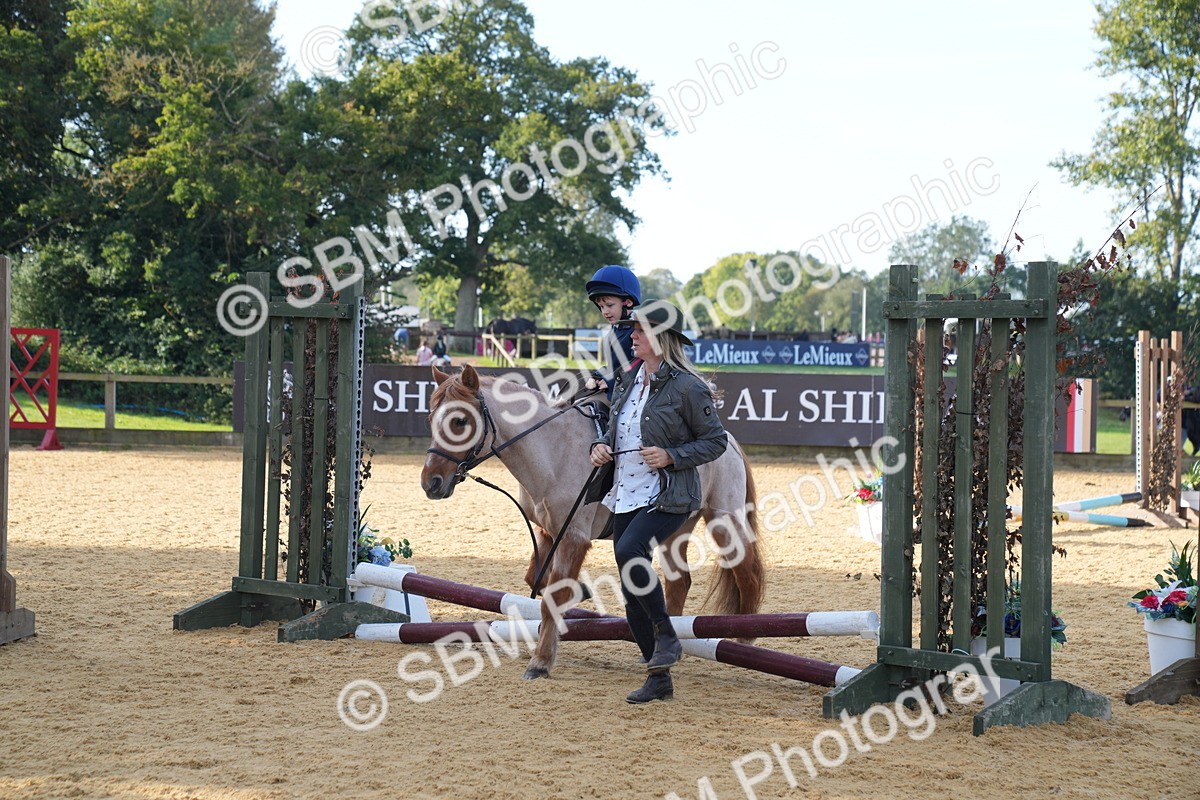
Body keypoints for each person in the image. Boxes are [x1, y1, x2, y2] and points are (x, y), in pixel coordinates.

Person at [586, 300, 727, 704]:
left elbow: (715, 441)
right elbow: (615, 429)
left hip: (669, 494)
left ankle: (666, 633)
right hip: (626, 491)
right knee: (632, 593)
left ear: (661, 339)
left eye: (640, 331)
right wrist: (600, 446)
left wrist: (671, 456)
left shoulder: (688, 387)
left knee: (630, 550)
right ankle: (659, 676)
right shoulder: (629, 380)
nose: (631, 336)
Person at [584, 265, 641, 400]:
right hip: (616, 392)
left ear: (627, 302)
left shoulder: (638, 330)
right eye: (601, 307)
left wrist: (611, 381)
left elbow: (638, 364)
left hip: (634, 396)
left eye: (609, 305)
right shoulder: (614, 330)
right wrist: (598, 375)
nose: (605, 312)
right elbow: (614, 367)